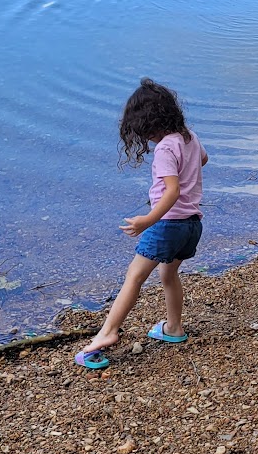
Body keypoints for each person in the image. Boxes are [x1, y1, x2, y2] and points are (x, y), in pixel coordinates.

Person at [76, 79, 207, 370]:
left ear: (149, 124)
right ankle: (174, 328)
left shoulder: (165, 149)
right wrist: (187, 172)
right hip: (191, 226)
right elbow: (204, 159)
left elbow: (172, 191)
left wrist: (147, 220)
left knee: (134, 277)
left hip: (167, 225)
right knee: (168, 274)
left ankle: (108, 332)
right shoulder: (189, 137)